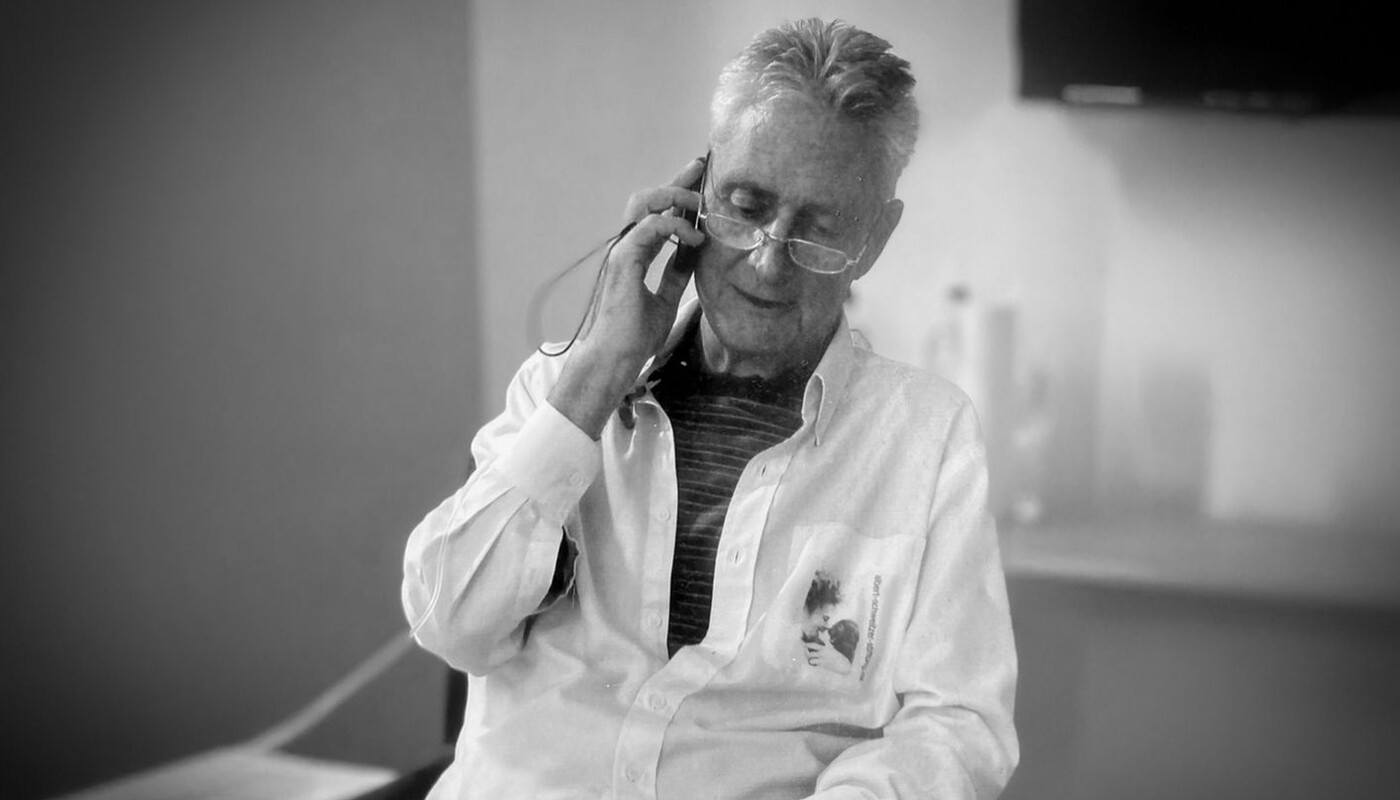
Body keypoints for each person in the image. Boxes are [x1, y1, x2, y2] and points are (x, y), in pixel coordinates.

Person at [403, 17, 1018, 799]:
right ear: (694, 192)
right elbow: (448, 622)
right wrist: (598, 372)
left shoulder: (927, 437)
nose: (768, 260)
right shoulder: (562, 387)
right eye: (746, 204)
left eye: (819, 228)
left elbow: (958, 722)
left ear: (875, 238)